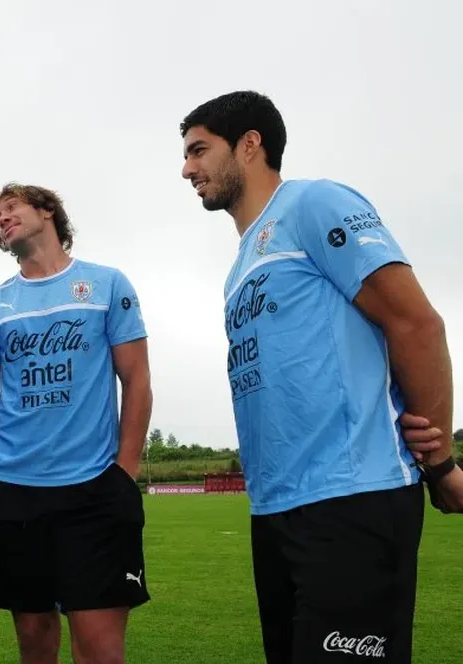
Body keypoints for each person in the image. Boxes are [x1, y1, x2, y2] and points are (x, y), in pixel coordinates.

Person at [178, 90, 454, 663]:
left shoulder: (313, 203)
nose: (187, 169)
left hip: (353, 497)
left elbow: (416, 323)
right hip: (276, 508)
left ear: (249, 144)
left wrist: (441, 463)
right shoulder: (240, 265)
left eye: (199, 150)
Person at [0, 183, 152, 664]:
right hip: (10, 490)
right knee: (33, 638)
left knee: (100, 647)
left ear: (47, 210)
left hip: (93, 490)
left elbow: (136, 380)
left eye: (11, 207)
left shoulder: (107, 285)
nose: (2, 218)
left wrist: (124, 473)